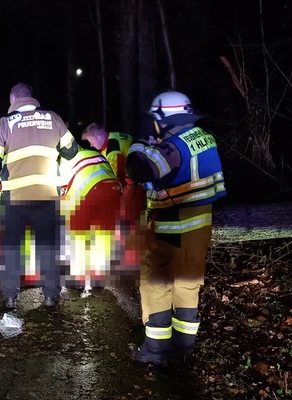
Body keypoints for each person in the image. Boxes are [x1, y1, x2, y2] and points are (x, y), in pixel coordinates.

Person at [126, 91, 226, 366]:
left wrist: (138, 146)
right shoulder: (204, 138)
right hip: (200, 225)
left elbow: (138, 170)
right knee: (188, 284)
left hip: (172, 225)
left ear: (164, 120)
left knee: (157, 285)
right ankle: (183, 348)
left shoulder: (173, 147)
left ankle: (157, 351)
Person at [0, 82, 78, 309]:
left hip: (15, 198)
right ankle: (51, 296)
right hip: (47, 196)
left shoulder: (5, 122)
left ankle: (11, 298)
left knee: (12, 249)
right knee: (48, 247)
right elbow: (71, 151)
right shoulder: (53, 118)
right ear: (31, 97)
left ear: (13, 100)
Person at [58, 139, 121, 290]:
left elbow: (61, 189)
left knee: (78, 234)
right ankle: (98, 278)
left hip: (90, 192)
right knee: (104, 234)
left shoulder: (64, 158)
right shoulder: (95, 153)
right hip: (114, 190)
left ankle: (78, 279)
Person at [82, 123, 146, 271]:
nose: (91, 146)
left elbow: (117, 180)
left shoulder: (112, 151)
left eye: (91, 141)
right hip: (140, 174)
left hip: (137, 182)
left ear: (99, 136)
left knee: (126, 214)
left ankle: (127, 253)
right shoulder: (113, 137)